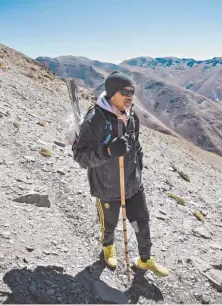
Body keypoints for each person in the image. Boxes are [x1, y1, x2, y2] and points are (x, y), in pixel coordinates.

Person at [72, 70, 169, 277]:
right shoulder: (96, 118)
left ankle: (144, 259)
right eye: (126, 91)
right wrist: (108, 151)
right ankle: (108, 247)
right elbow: (81, 156)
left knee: (141, 222)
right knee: (110, 223)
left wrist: (137, 169)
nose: (130, 96)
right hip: (107, 188)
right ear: (112, 92)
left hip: (133, 185)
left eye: (132, 91)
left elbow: (136, 146)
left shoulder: (131, 116)